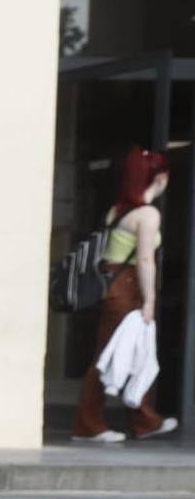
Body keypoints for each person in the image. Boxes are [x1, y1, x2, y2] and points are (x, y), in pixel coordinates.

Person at [74, 146, 180, 443]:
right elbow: (145, 259)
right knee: (113, 355)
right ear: (158, 178)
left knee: (124, 352)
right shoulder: (147, 215)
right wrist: (150, 300)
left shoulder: (119, 209)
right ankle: (90, 424)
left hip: (113, 284)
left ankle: (143, 420)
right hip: (128, 286)